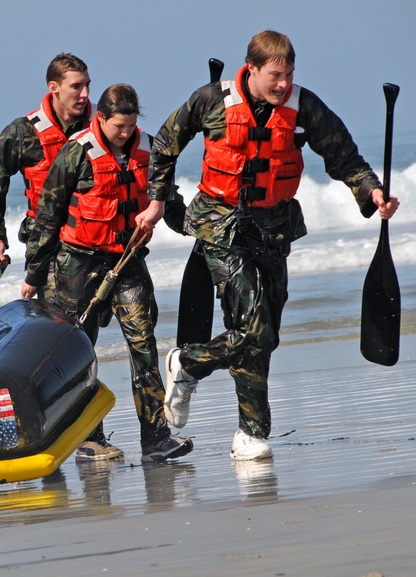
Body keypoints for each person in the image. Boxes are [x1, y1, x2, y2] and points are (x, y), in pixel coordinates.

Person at [139, 30, 400, 461]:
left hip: (274, 227)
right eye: (276, 75)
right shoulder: (211, 100)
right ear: (253, 68)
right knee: (253, 323)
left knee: (266, 333)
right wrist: (159, 202)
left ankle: (193, 370)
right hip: (220, 225)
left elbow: (344, 157)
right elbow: (165, 144)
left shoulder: (304, 106)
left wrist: (373, 192)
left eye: (290, 74)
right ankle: (249, 428)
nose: (283, 84)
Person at [21, 84, 193, 465]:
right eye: (118, 127)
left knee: (144, 347)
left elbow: (169, 201)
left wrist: (200, 228)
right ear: (101, 118)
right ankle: (89, 439)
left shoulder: (150, 150)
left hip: (128, 262)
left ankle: (156, 439)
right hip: (76, 267)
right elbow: (48, 214)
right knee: (79, 354)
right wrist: (34, 274)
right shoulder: (76, 153)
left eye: (131, 126)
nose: (125, 133)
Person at [0, 53, 92, 269]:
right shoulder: (22, 132)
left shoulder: (105, 125)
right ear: (54, 87)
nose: (84, 94)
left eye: (87, 85)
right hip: (49, 249)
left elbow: (144, 163)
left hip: (101, 245)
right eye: (76, 86)